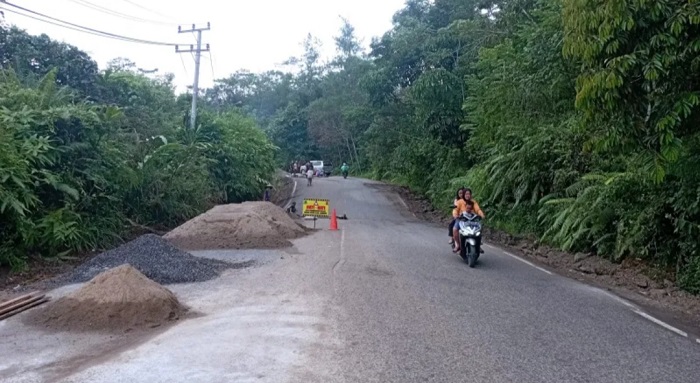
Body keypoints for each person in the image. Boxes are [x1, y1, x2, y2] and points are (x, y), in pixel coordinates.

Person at [452, 188, 485, 253]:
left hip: (472, 219)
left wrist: (481, 214)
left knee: (479, 228)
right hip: (461, 219)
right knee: (455, 229)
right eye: (466, 194)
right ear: (464, 194)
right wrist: (455, 215)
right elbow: (455, 210)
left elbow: (478, 209)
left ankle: (478, 245)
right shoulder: (459, 202)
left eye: (469, 194)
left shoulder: (473, 202)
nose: (468, 195)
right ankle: (458, 245)